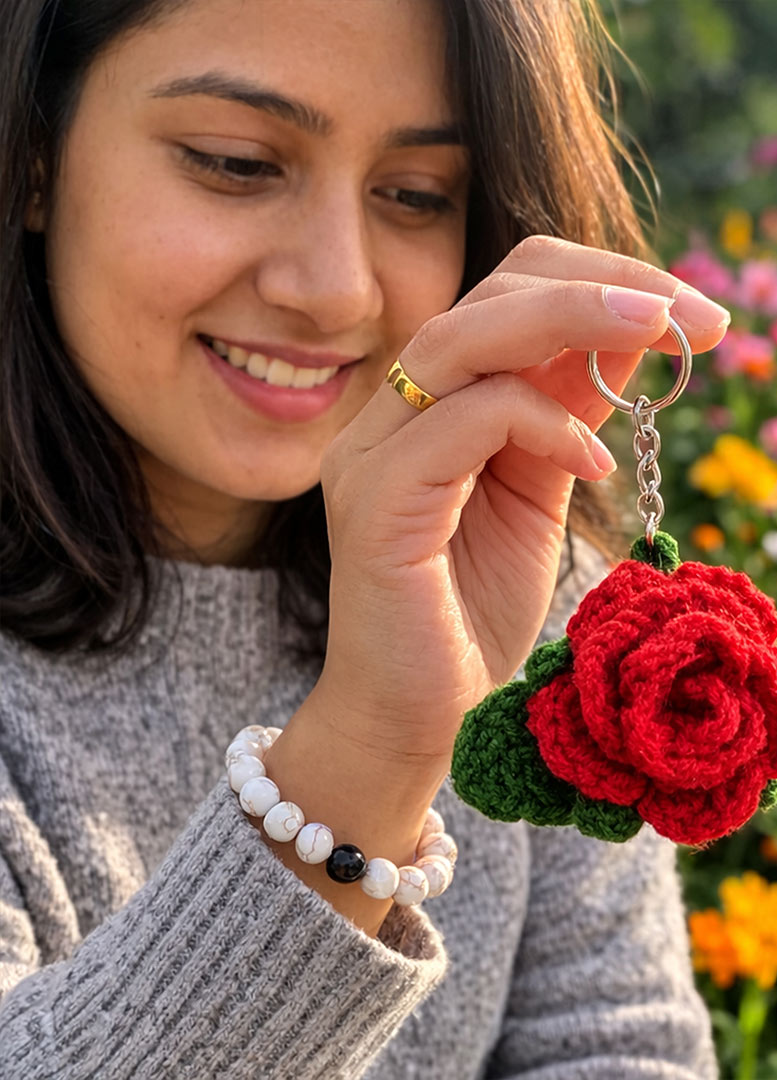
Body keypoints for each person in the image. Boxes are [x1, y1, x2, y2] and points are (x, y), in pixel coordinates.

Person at [0, 1, 731, 1076]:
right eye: (236, 162)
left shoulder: (534, 605)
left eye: (414, 195)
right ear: (32, 158)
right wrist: (372, 751)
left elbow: (618, 1045)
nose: (337, 287)